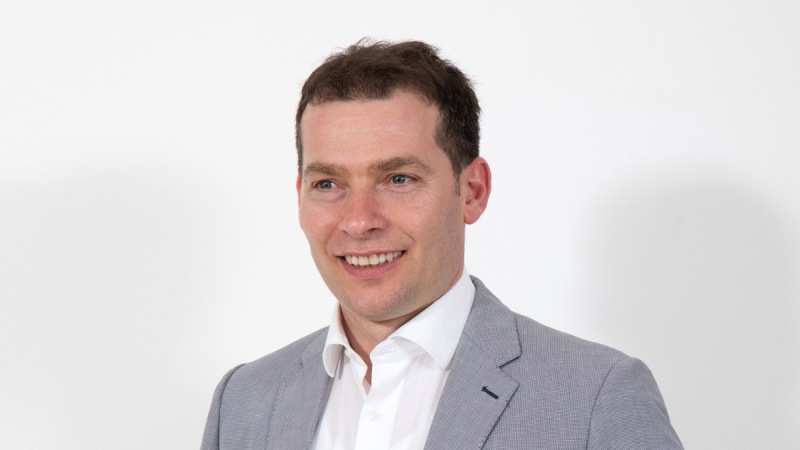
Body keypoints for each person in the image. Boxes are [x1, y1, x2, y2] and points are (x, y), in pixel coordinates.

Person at [201, 40, 682, 449]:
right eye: (328, 184)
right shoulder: (242, 402)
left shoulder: (597, 397)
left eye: (398, 178)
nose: (359, 220)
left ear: (472, 191)